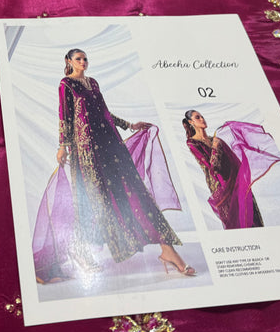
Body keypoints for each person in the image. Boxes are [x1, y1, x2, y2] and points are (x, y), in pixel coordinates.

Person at [54, 48, 195, 277]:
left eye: (85, 59)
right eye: (78, 59)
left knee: (133, 190)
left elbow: (104, 112)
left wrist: (129, 125)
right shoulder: (66, 85)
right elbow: (65, 117)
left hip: (110, 143)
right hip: (87, 149)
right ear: (68, 61)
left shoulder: (93, 83)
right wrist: (63, 145)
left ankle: (168, 250)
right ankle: (80, 251)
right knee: (93, 198)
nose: (83, 62)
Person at [183, 110, 278, 229]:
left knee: (249, 215)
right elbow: (212, 167)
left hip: (235, 182)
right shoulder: (192, 143)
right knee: (234, 219)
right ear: (191, 122)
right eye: (197, 117)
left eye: (202, 116)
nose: (202, 119)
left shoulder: (215, 140)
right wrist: (216, 146)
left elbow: (232, 161)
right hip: (220, 186)